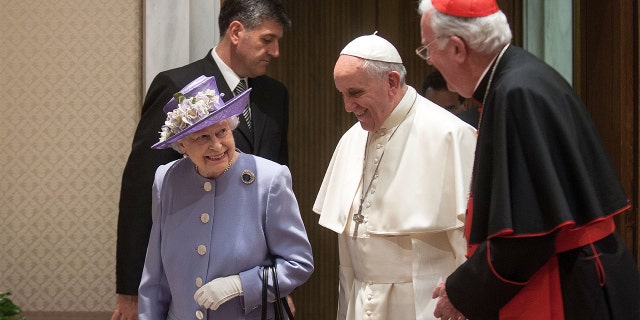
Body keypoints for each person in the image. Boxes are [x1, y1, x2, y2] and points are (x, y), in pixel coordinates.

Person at [418, 0, 640, 319]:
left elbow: (524, 239)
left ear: (457, 48)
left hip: (568, 287)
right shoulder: (520, 78)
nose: (429, 60)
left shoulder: (515, 93)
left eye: (427, 49)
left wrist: (463, 291)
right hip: (577, 273)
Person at [113, 1, 292, 319]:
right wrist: (130, 292)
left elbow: (279, 188)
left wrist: (278, 287)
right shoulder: (176, 86)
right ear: (236, 31)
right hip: (193, 273)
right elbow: (141, 191)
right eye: (267, 40)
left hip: (254, 291)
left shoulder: (275, 94)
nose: (275, 51)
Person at [313, 33, 477, 320]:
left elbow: (467, 240)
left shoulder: (449, 135)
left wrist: (467, 298)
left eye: (355, 93)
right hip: (360, 302)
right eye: (342, 94)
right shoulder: (351, 140)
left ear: (391, 82)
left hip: (423, 304)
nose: (347, 106)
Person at [137, 75, 314, 319]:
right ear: (182, 146)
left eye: (222, 131)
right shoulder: (167, 180)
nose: (217, 146)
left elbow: (298, 264)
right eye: (202, 137)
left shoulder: (269, 179)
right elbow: (155, 276)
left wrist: (241, 285)